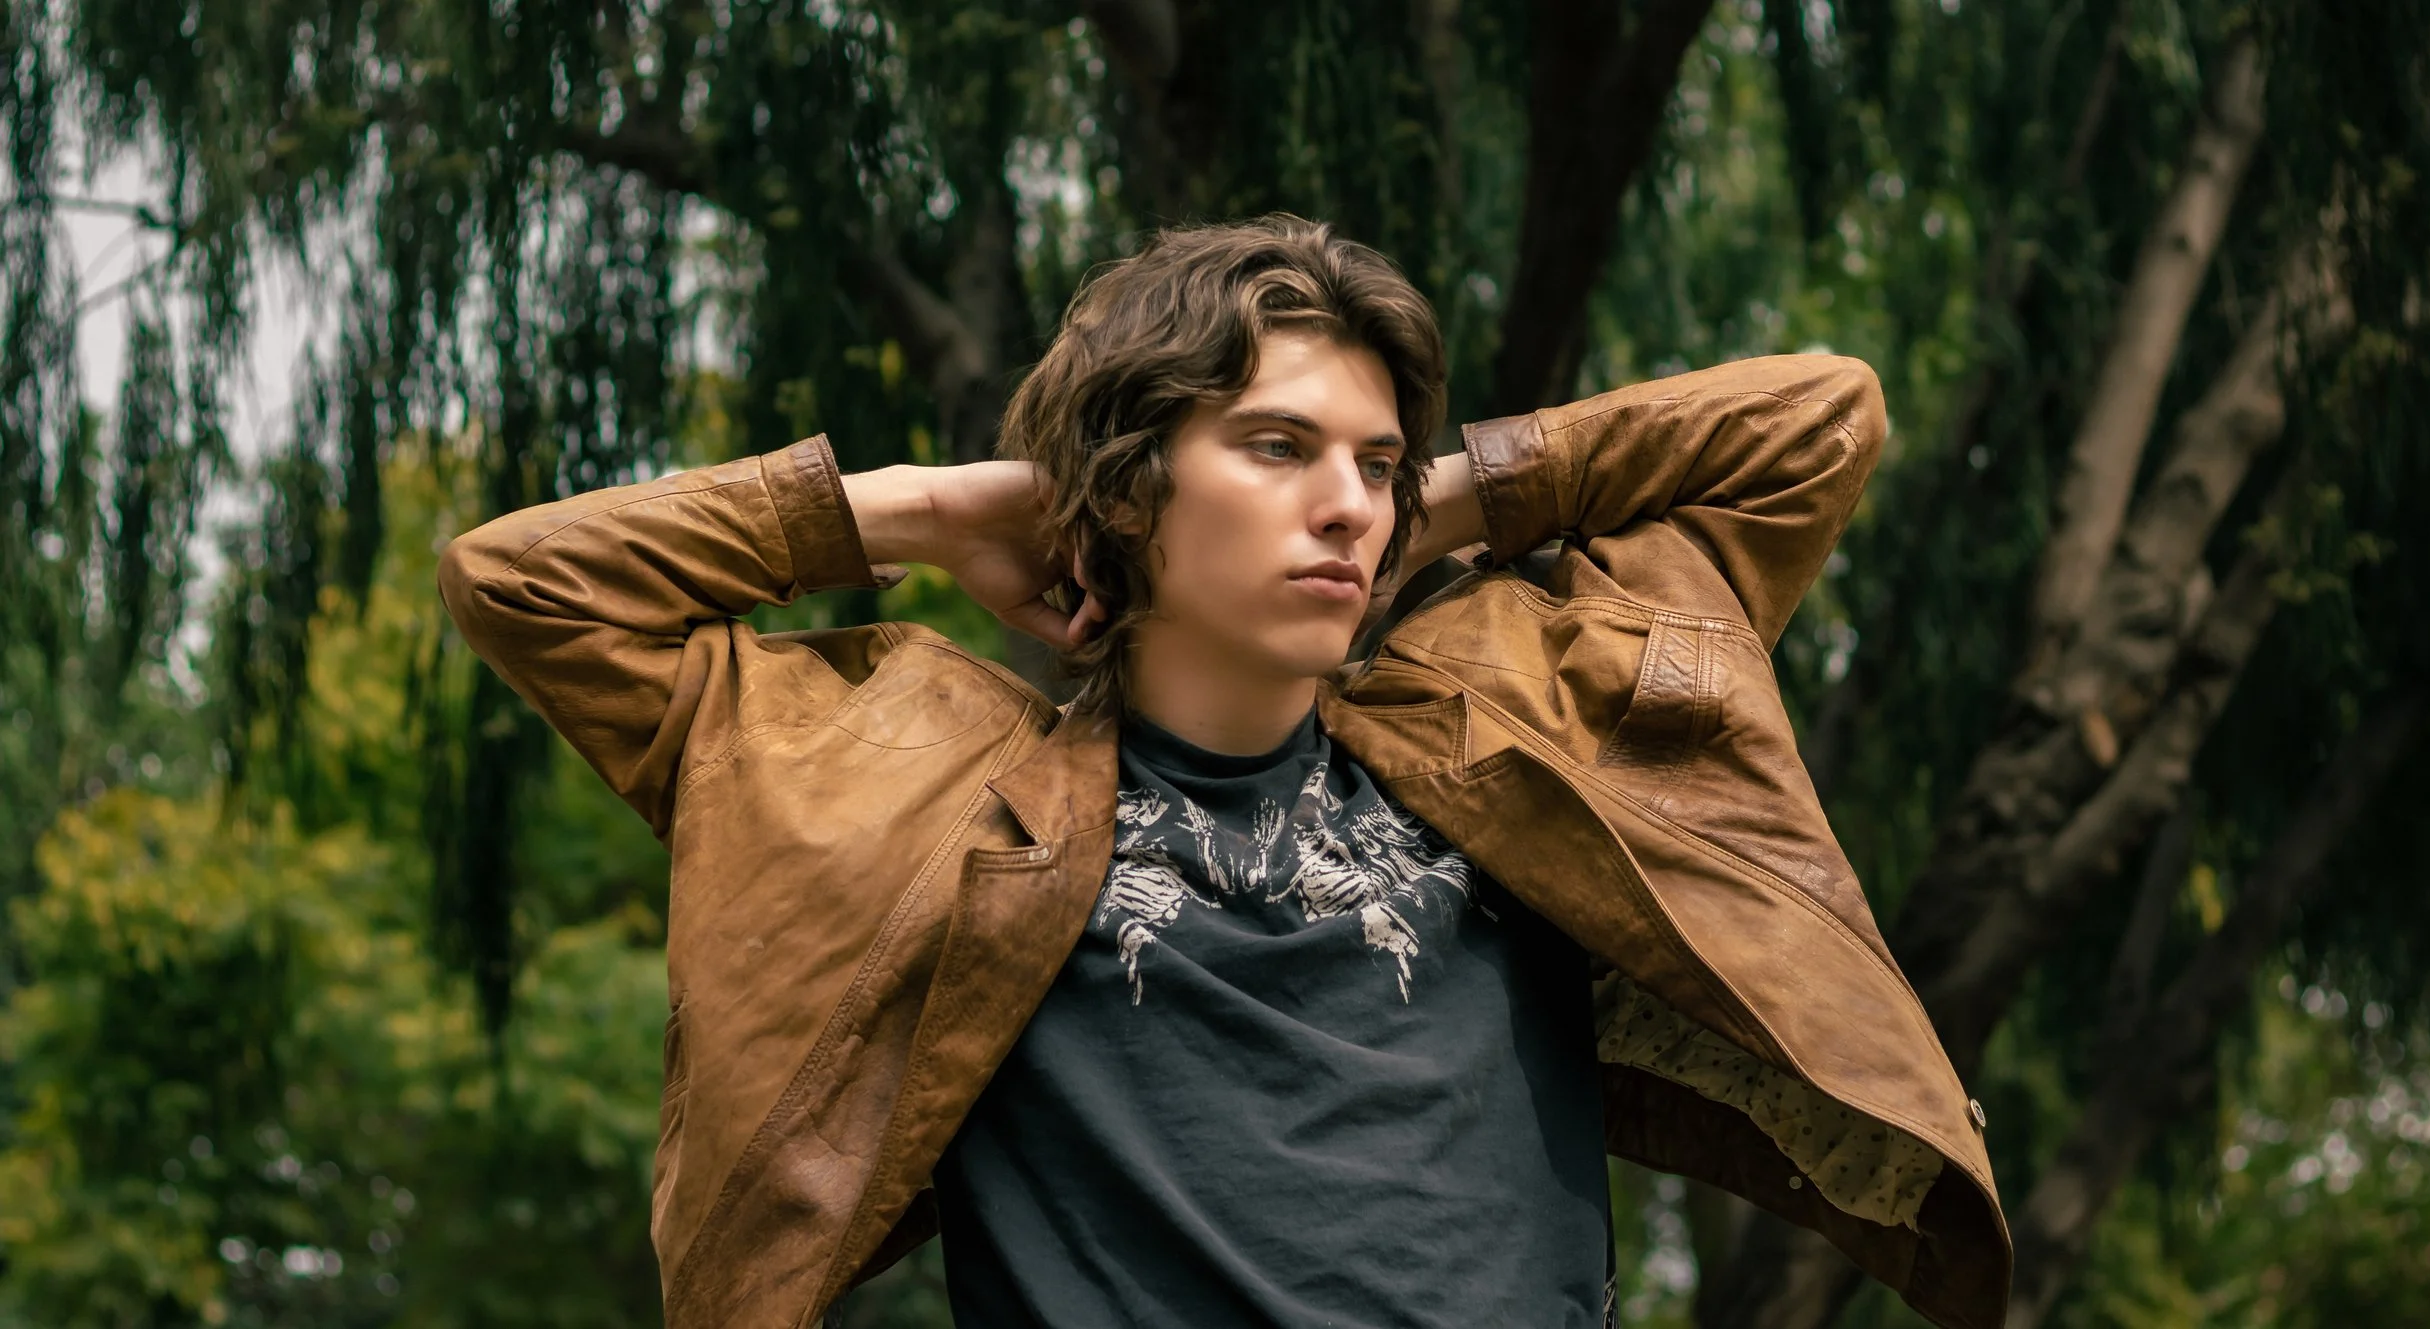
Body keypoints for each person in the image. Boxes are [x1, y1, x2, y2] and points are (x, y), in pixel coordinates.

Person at [438, 215, 2010, 1329]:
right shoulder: (918, 806)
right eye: (1275, 447)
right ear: (1125, 491)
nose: (1348, 505)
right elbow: (524, 584)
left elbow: (1817, 421)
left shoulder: (1518, 731)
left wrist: (1454, 497)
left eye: (1373, 462)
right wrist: (918, 511)